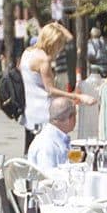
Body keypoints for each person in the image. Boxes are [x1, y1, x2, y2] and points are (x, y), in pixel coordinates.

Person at [19, 22, 95, 152]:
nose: (60, 49)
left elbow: (70, 39)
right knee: (52, 151)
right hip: (44, 113)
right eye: (59, 44)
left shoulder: (27, 53)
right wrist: (78, 96)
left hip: (30, 112)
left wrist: (57, 27)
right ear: (52, 43)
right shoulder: (44, 60)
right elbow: (51, 90)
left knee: (31, 151)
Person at [28, 96, 79, 170]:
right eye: (75, 115)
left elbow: (69, 160)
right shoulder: (47, 144)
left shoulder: (58, 137)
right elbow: (47, 174)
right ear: (70, 119)